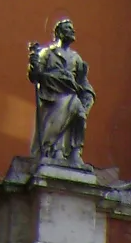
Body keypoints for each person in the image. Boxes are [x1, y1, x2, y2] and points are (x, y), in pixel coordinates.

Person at [28, 18, 95, 165]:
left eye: (72, 28)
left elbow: (83, 81)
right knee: (60, 114)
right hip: (53, 94)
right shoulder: (48, 53)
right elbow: (36, 76)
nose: (72, 31)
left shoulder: (76, 58)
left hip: (72, 93)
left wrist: (88, 95)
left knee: (80, 116)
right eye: (68, 28)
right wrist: (33, 63)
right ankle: (54, 150)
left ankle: (75, 150)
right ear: (59, 33)